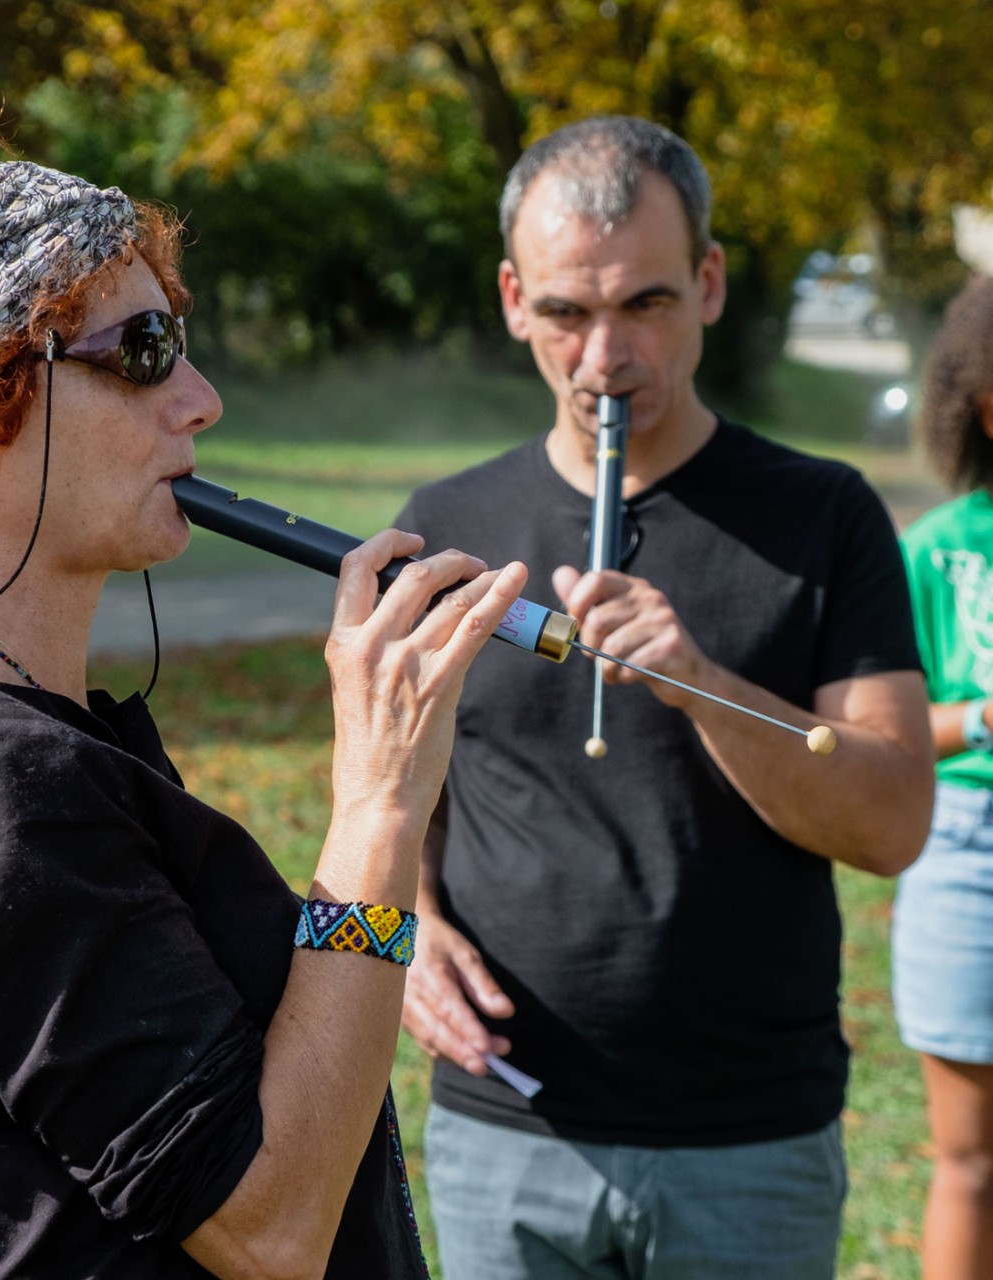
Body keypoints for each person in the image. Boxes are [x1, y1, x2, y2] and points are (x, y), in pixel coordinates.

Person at [0, 81, 531, 1279]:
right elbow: (268, 1226)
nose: (199, 400)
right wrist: (377, 805)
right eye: (141, 352)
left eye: (177, 342)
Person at [396, 115, 935, 1280]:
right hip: (504, 1122)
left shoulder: (822, 515)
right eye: (565, 312)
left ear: (708, 283)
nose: (604, 357)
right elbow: (386, 804)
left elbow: (892, 820)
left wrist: (700, 684)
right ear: (511, 300)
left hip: (746, 1138)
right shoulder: (445, 525)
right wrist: (409, 930)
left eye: (643, 303)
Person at [892, 274, 993, 1280]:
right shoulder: (935, 551)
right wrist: (983, 718)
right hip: (967, 847)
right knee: (970, 1160)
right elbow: (879, 732)